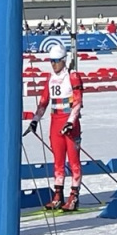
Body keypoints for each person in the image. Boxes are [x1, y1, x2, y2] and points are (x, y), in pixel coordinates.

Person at [26, 44, 84, 211]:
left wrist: (71, 122)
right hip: (55, 121)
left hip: (69, 123)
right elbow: (44, 101)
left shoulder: (72, 76)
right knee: (58, 161)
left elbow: (78, 102)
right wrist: (35, 120)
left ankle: (74, 196)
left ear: (64, 60)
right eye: (51, 61)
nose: (53, 64)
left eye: (57, 61)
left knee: (73, 161)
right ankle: (58, 195)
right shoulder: (50, 78)